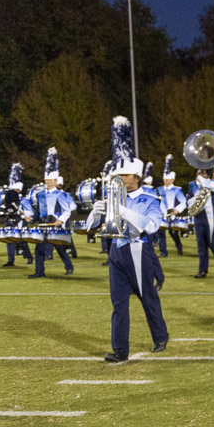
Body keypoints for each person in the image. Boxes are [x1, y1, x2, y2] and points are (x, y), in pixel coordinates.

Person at [86, 116, 169, 363]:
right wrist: (95, 211)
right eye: (118, 174)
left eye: (125, 175)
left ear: (136, 176)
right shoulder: (113, 195)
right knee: (118, 304)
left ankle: (161, 336)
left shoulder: (150, 199)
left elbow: (152, 226)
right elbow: (90, 228)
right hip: (116, 253)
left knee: (148, 298)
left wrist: (123, 210)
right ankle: (120, 351)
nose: (120, 179)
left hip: (138, 252)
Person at [22, 147, 76, 278]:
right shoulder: (40, 194)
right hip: (43, 224)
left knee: (60, 248)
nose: (48, 182)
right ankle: (39, 272)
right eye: (47, 180)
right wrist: (32, 219)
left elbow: (67, 210)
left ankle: (69, 266)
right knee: (39, 249)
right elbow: (39, 210)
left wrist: (60, 221)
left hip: (55, 223)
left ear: (56, 181)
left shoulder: (60, 194)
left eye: (51, 180)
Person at [187, 165, 214, 278]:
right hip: (198, 215)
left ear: (208, 174)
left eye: (204, 173)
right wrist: (196, 197)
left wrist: (203, 182)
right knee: (201, 244)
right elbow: (189, 201)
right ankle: (202, 270)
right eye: (200, 172)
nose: (200, 174)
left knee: (213, 242)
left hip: (211, 216)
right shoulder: (192, 184)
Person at [0, 163, 33, 267]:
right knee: (9, 239)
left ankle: (29, 256)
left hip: (19, 220)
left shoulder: (22, 198)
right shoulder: (10, 194)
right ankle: (11, 260)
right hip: (10, 218)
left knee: (21, 239)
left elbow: (27, 210)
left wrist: (24, 215)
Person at [157, 154, 187, 257]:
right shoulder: (160, 190)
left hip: (173, 212)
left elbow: (183, 202)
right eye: (165, 180)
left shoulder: (177, 190)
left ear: (172, 180)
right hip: (163, 212)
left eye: (168, 180)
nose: (166, 181)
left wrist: (176, 210)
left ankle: (179, 248)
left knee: (173, 233)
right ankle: (163, 252)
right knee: (161, 233)